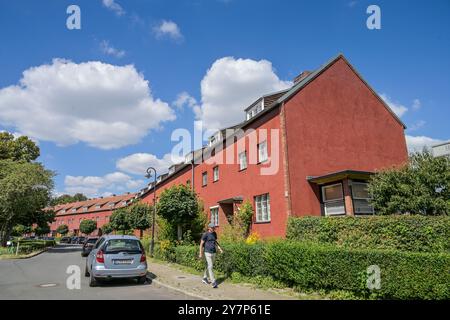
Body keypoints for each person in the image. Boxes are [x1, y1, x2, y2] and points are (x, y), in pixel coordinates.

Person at [199, 223, 223, 288]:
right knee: (210, 266)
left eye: (214, 228)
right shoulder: (205, 234)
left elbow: (215, 242)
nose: (213, 229)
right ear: (209, 228)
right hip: (207, 252)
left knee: (209, 266)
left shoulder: (214, 234)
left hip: (213, 252)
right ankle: (213, 282)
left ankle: (204, 278)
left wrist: (219, 248)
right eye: (212, 228)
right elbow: (201, 244)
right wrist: (200, 253)